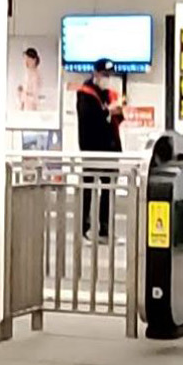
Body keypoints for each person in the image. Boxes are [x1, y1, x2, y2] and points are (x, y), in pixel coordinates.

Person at [76, 59, 125, 241]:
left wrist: (116, 111)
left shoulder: (107, 94)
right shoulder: (86, 93)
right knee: (88, 188)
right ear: (96, 73)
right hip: (92, 149)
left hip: (110, 149)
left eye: (109, 75)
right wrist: (107, 111)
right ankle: (85, 228)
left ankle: (105, 229)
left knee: (108, 189)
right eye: (104, 74)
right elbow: (89, 119)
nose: (107, 78)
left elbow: (115, 118)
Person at [15, 47, 44, 113]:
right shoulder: (28, 73)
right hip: (25, 103)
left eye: (28, 59)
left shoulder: (35, 74)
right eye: (25, 59)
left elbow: (35, 93)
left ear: (34, 60)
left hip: (30, 105)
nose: (26, 62)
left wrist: (25, 94)